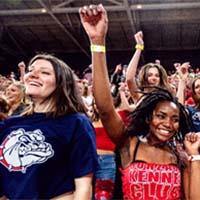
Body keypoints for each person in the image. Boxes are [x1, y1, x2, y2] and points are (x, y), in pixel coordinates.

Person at [79, 4, 200, 199]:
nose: (168, 124)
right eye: (161, 116)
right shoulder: (130, 144)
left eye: (175, 119)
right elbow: (105, 109)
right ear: (148, 118)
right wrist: (97, 42)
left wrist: (193, 155)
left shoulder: (179, 155)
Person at [0, 53, 98, 199]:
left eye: (44, 72)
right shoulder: (9, 124)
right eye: (30, 70)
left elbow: (83, 186)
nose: (33, 75)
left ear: (61, 83)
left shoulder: (76, 123)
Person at [125, 31, 174, 104]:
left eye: (157, 76)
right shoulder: (139, 96)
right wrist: (139, 47)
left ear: (160, 79)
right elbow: (129, 79)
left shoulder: (166, 98)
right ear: (144, 77)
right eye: (149, 75)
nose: (153, 78)